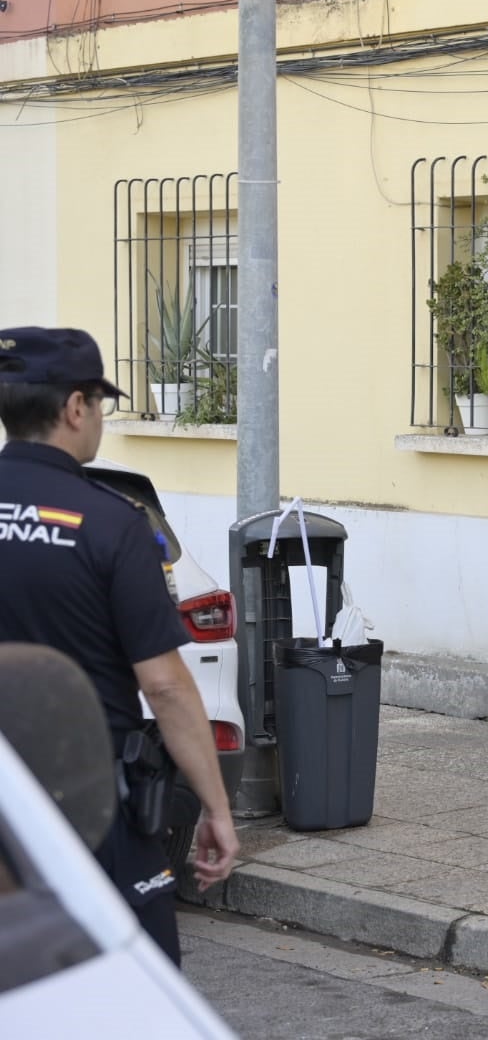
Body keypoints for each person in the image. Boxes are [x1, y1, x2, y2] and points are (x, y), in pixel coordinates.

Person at [0, 326, 239, 963]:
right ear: (75, 407)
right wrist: (215, 805)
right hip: (84, 800)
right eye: (100, 403)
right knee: (135, 977)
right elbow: (164, 684)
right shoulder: (111, 522)